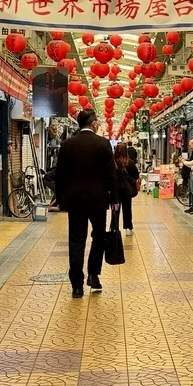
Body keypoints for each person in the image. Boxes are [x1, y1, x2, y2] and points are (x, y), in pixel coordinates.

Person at [56, 109, 116, 297]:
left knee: (76, 240)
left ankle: (77, 286)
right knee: (99, 237)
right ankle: (93, 275)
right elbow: (111, 176)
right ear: (94, 124)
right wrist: (114, 200)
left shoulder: (67, 145)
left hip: (74, 201)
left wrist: (61, 200)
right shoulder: (103, 144)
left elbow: (59, 175)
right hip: (98, 200)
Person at [112, 142, 141, 236]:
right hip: (126, 190)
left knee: (115, 209)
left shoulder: (112, 162)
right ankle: (128, 228)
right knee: (127, 209)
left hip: (115, 190)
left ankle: (114, 228)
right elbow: (136, 175)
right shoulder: (130, 162)